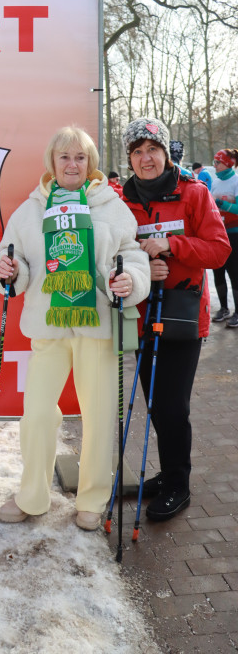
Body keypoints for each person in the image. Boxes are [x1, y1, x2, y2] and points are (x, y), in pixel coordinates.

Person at [0, 126, 150, 531]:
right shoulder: (31, 209)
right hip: (48, 326)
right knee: (37, 414)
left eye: (80, 157)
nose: (72, 164)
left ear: (90, 162)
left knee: (99, 414)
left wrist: (130, 280)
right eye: (64, 157)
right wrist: (8, 271)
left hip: (97, 326)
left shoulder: (110, 205)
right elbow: (13, 261)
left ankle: (93, 498)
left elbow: (132, 256)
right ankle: (32, 495)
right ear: (52, 161)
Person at [122, 119, 231, 521]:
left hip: (182, 315)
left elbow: (218, 250)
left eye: (153, 149)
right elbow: (114, 252)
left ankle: (178, 485)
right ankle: (167, 474)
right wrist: (140, 263)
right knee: (155, 404)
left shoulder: (194, 192)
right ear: (130, 159)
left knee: (172, 406)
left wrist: (171, 245)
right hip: (141, 314)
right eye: (137, 151)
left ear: (166, 154)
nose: (146, 158)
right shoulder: (121, 200)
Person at [210, 149, 238, 327]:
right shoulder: (215, 182)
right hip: (218, 233)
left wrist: (221, 203)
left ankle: (237, 312)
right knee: (217, 270)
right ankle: (223, 308)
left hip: (234, 233)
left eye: (217, 162)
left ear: (228, 163)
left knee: (234, 272)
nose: (214, 165)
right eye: (214, 162)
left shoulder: (236, 181)